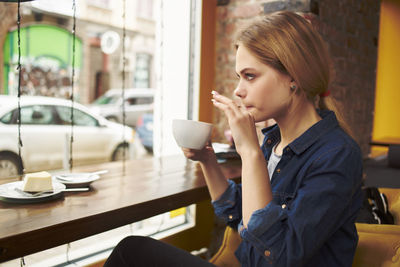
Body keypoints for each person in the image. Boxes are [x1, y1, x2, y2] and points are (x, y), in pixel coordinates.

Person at [104, 10, 363, 267]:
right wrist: (207, 161)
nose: (238, 91)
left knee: (131, 253)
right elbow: (240, 212)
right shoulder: (275, 142)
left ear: (293, 78)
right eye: (239, 77)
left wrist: (249, 152)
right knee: (131, 250)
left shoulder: (337, 155)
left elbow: (281, 256)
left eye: (250, 76)